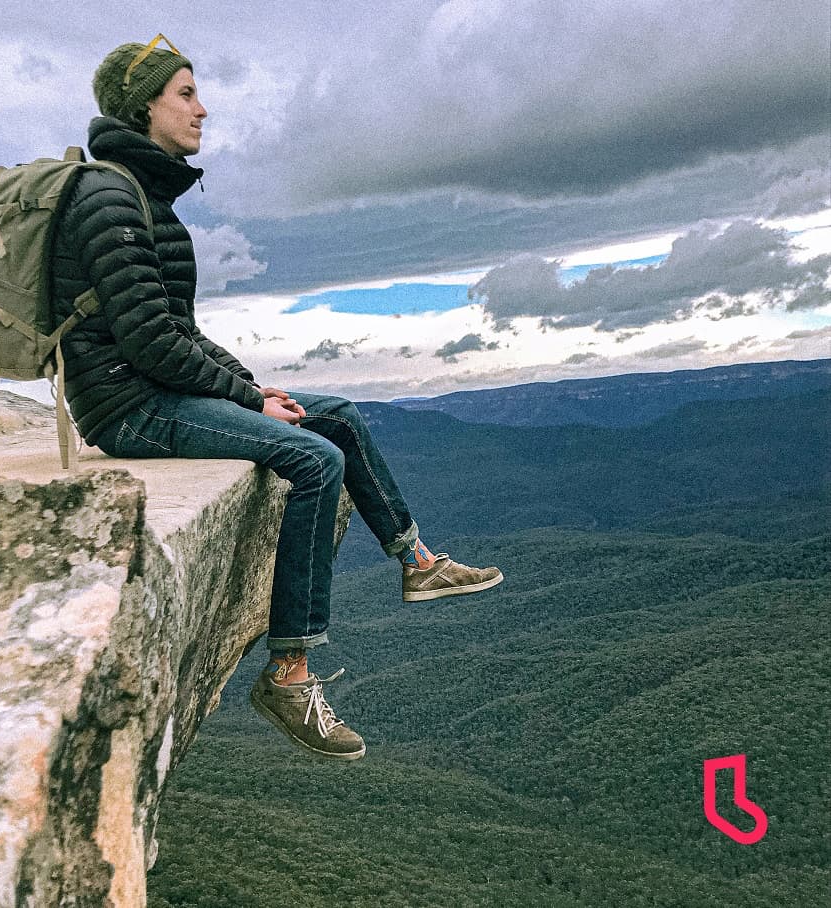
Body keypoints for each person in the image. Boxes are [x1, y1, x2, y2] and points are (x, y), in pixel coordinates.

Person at [51, 35, 503, 761]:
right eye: (186, 94)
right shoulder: (110, 196)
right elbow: (144, 342)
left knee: (340, 416)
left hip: (157, 386)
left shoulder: (141, 192)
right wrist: (246, 399)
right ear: (143, 106)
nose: (203, 109)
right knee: (315, 458)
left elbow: (177, 330)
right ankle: (289, 674)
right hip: (129, 406)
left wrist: (253, 388)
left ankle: (417, 561)